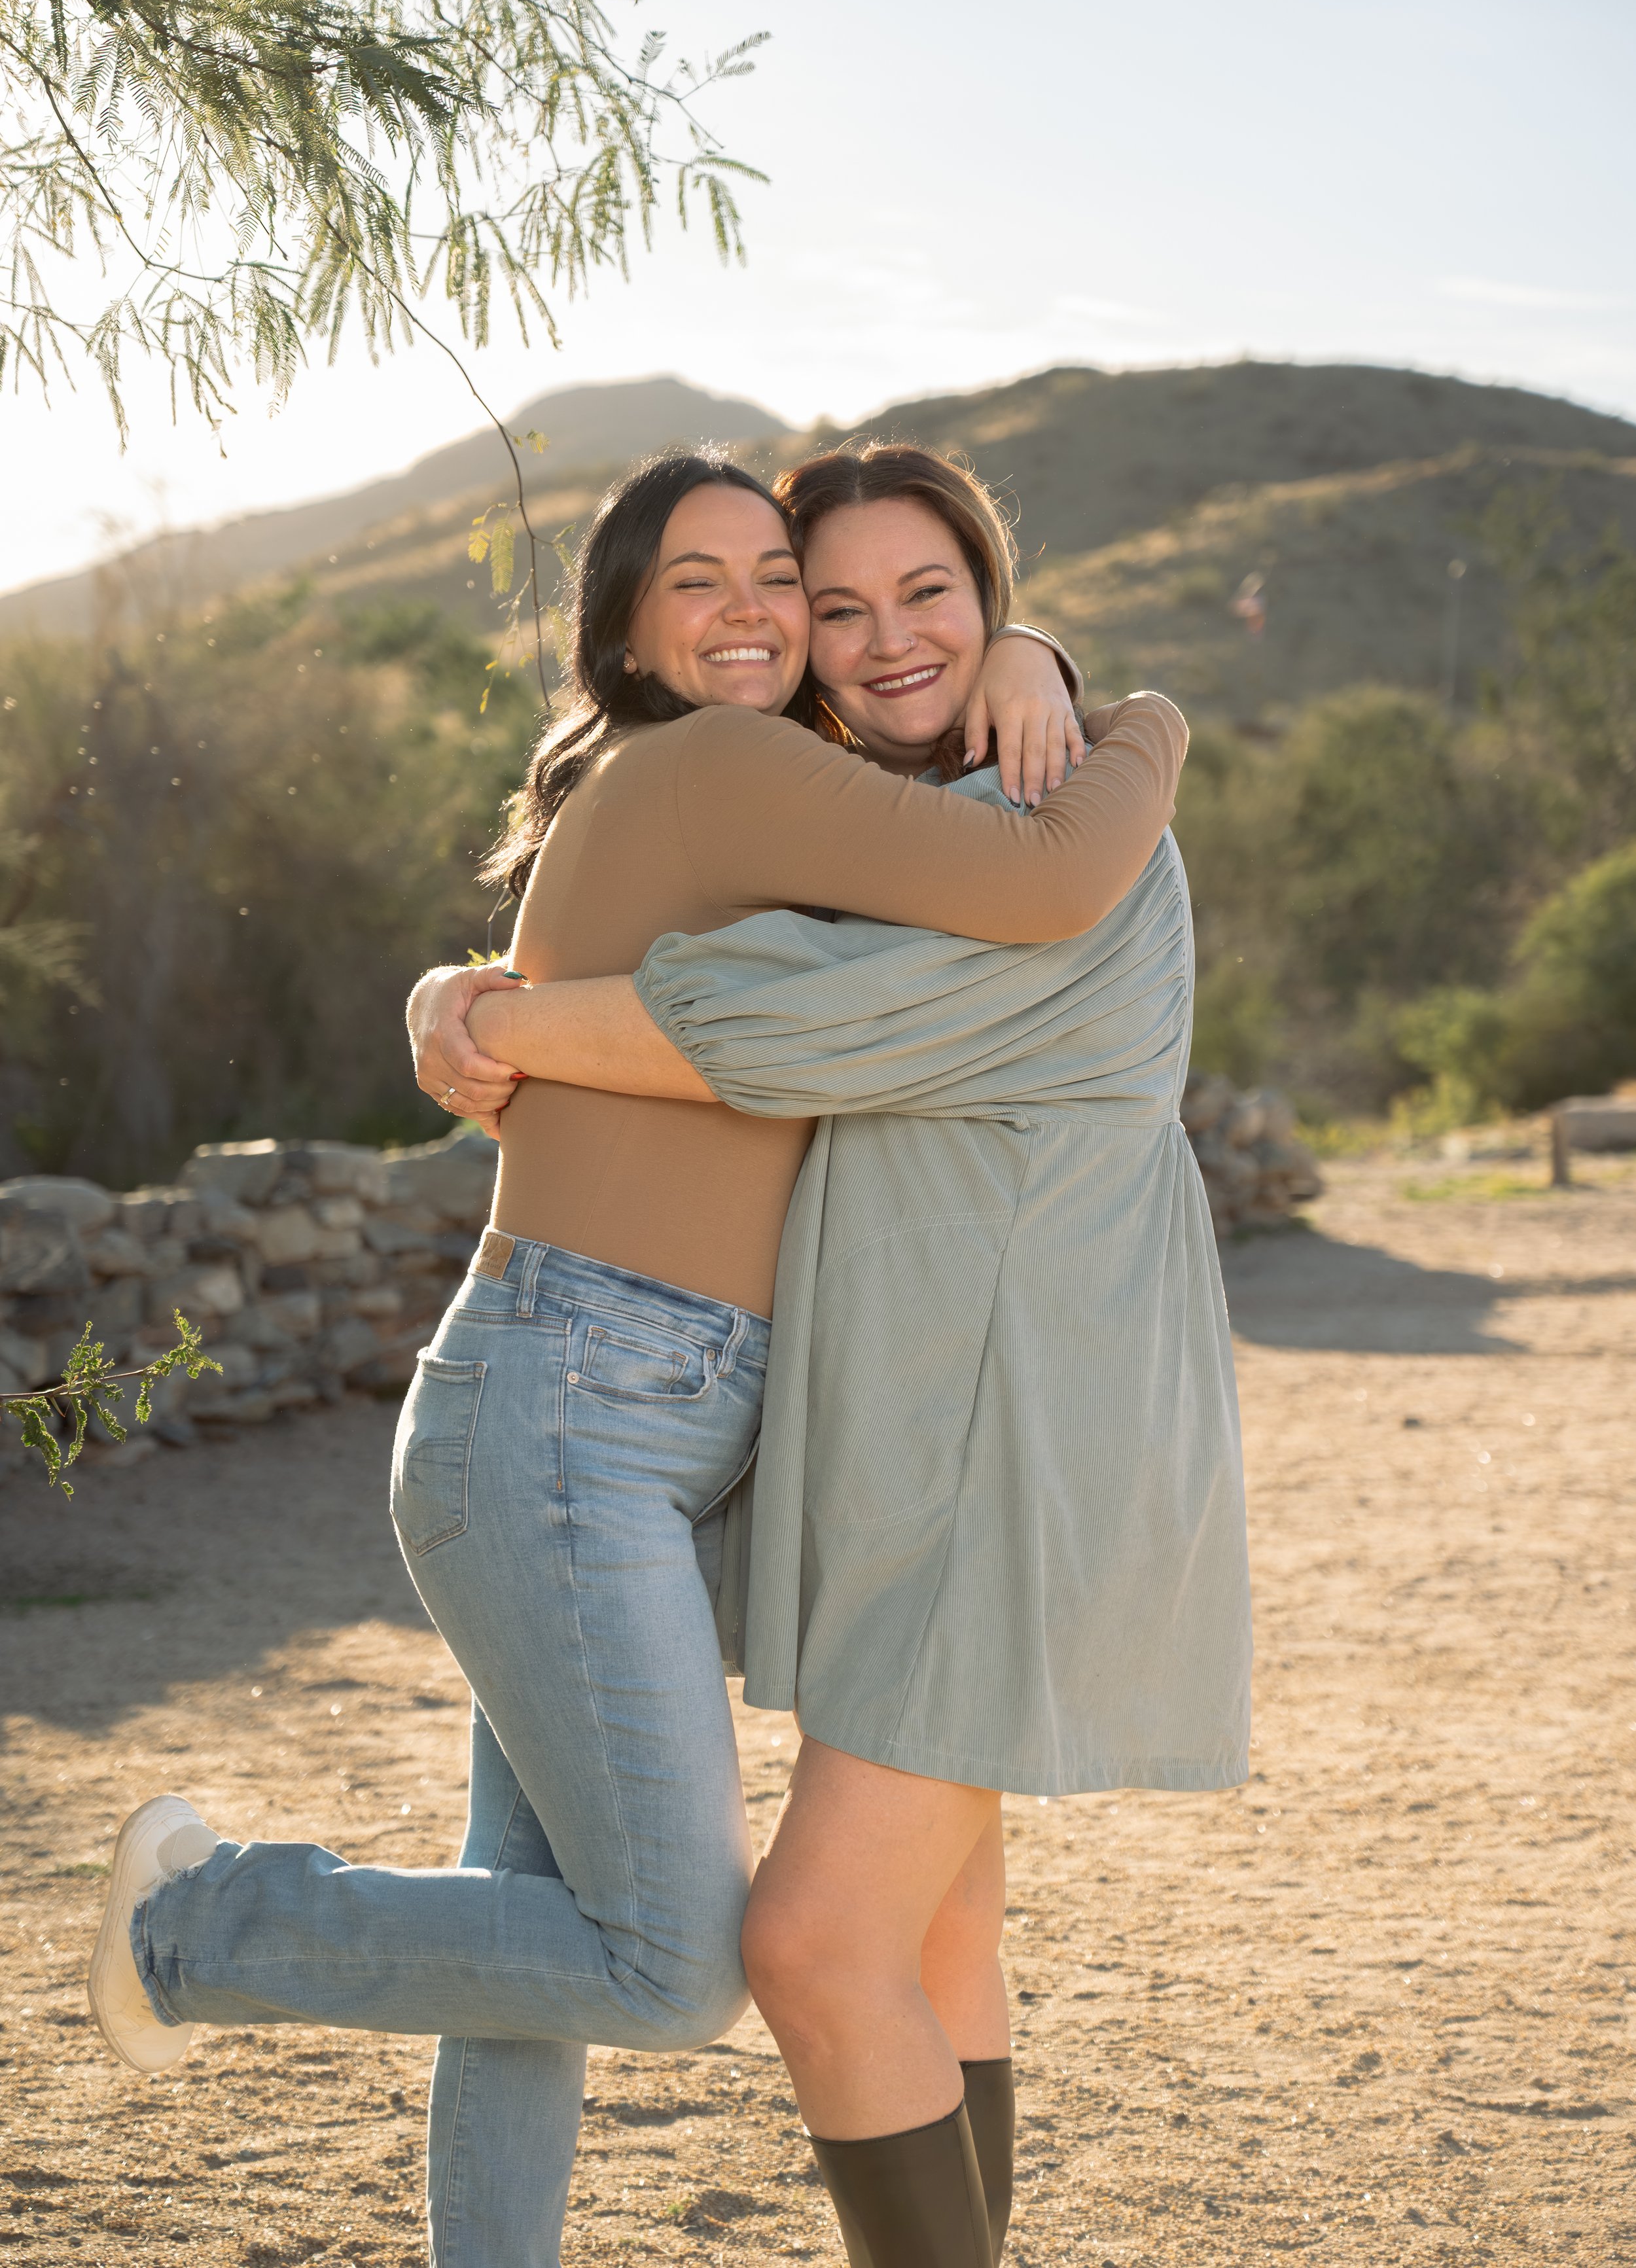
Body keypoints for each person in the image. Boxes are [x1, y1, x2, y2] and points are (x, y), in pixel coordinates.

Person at [88, 447, 1183, 2268]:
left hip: (629, 1420)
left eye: (788, 578)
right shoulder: (727, 762)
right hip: (574, 1407)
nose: (759, 609)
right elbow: (1059, 868)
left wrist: (1033, 653)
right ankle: (192, 1927)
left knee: (527, 1921)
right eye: (706, 580)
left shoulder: (765, 784)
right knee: (670, 1961)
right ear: (626, 625)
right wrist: (1131, 703)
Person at [410, 446, 1249, 2266]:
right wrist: (464, 988)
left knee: (801, 1942)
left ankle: (206, 1932)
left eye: (928, 597)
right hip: (917, 1441)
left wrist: (492, 1017)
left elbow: (774, 1038)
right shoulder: (903, 849)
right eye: (837, 604)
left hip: (1008, 1446)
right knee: (938, 1937)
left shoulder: (1080, 859)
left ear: (993, 594)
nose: (874, 643)